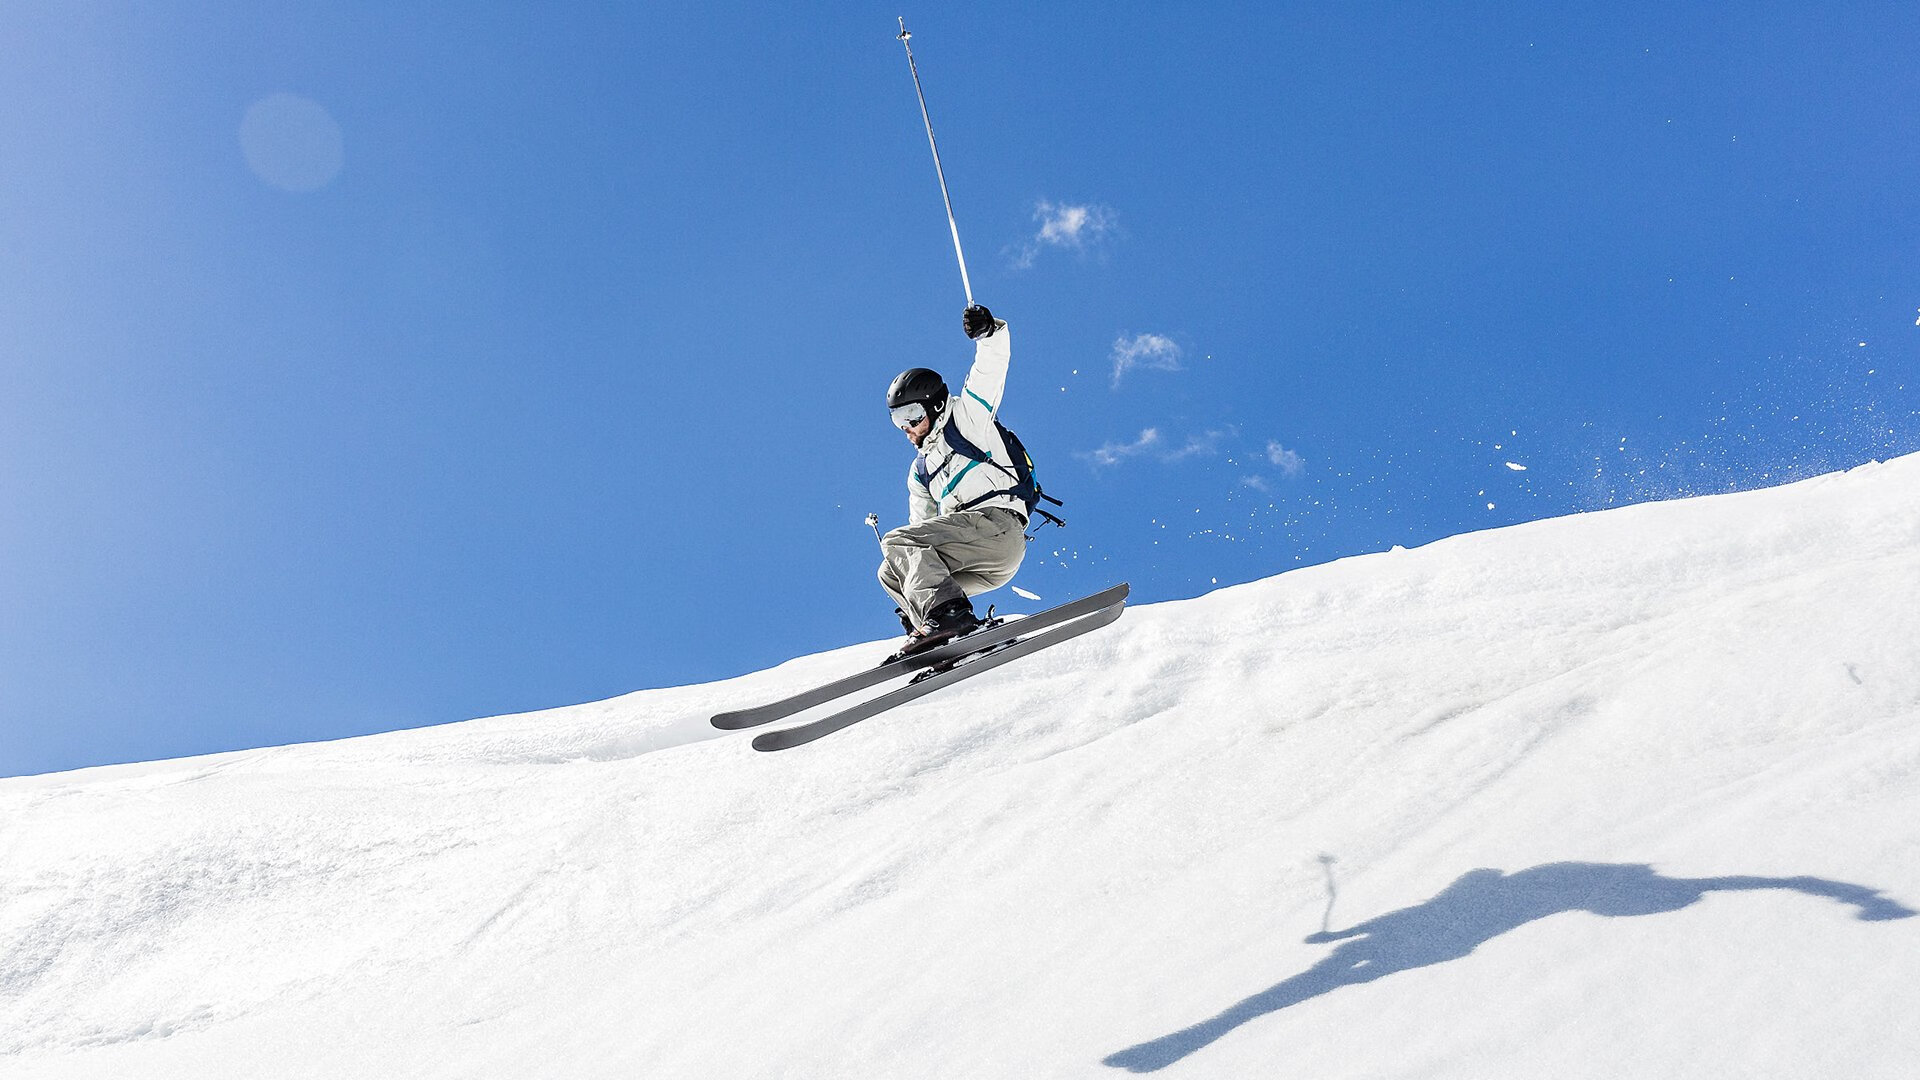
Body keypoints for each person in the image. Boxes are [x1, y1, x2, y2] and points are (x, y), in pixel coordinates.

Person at [879, 302, 1029, 655]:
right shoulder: (921, 472)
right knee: (891, 569)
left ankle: (949, 616)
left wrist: (989, 333)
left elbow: (990, 370)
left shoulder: (967, 419)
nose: (907, 428)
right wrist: (912, 594)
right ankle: (938, 633)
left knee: (896, 541)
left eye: (912, 415)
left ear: (933, 405)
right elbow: (921, 534)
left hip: (997, 528)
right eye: (898, 420)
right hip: (976, 562)